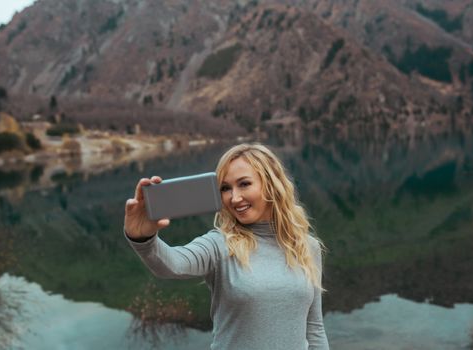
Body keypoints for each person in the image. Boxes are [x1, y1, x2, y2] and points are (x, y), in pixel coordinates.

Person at [124, 143, 329, 350]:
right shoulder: (220, 244)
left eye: (244, 184)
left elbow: (314, 327)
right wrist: (142, 237)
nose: (234, 198)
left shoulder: (307, 247)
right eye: (225, 188)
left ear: (271, 184)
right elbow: (171, 264)